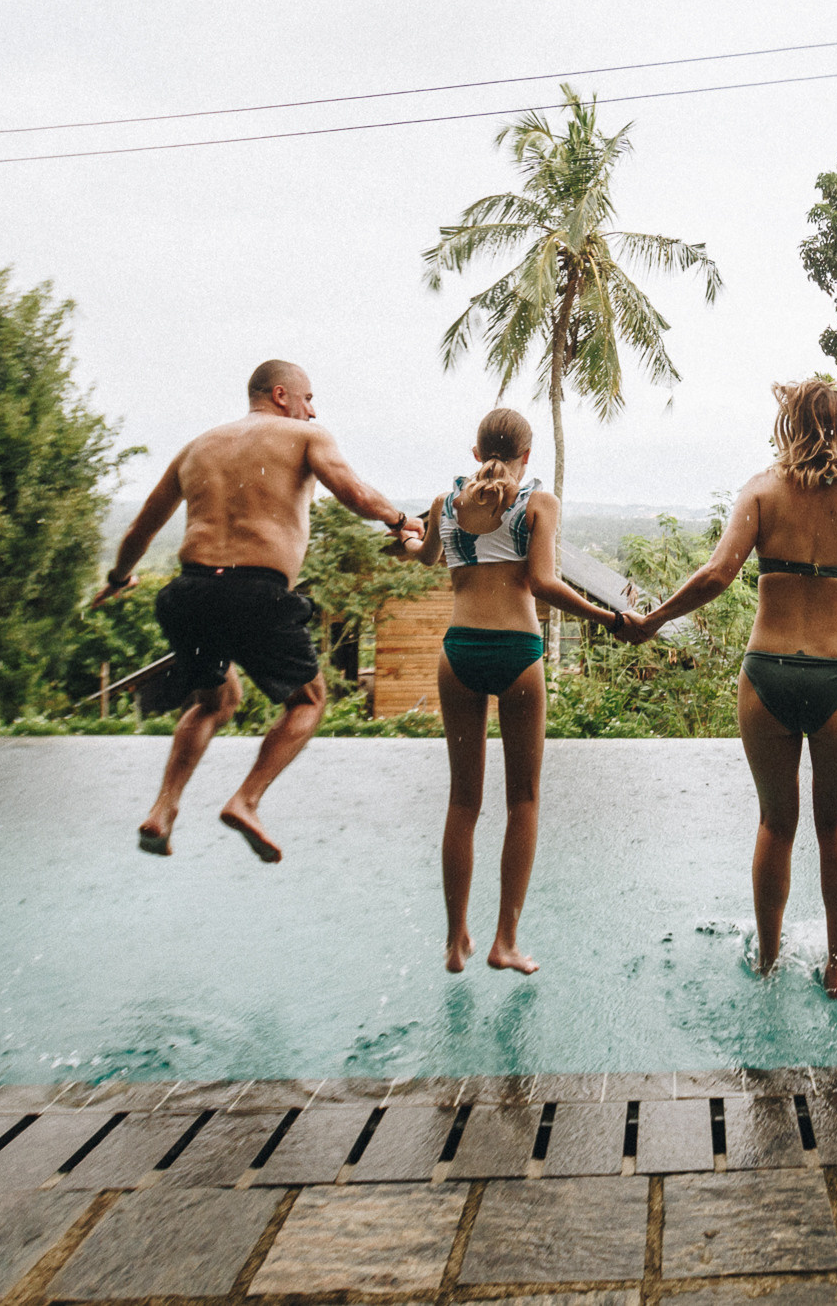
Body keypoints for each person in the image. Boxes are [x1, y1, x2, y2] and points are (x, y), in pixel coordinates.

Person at [623, 380, 837, 997]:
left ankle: (766, 957)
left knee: (775, 823)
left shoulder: (761, 491)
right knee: (836, 822)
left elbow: (715, 575)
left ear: (792, 424)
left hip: (767, 674)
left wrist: (653, 620)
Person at [97, 359, 417, 864]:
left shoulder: (197, 447)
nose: (313, 410)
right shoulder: (304, 437)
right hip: (256, 592)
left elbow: (141, 529)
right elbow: (354, 494)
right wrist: (404, 521)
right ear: (282, 395)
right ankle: (246, 800)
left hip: (189, 593)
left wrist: (117, 579)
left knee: (214, 700)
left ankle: (162, 809)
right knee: (309, 700)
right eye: (309, 398)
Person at [410, 407, 629, 975]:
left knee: (463, 801)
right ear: (528, 456)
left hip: (459, 651)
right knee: (522, 801)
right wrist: (607, 617)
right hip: (516, 653)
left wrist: (411, 538)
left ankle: (456, 937)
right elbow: (543, 583)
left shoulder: (446, 503)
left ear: (475, 449)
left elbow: (427, 556)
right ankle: (504, 940)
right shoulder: (536, 503)